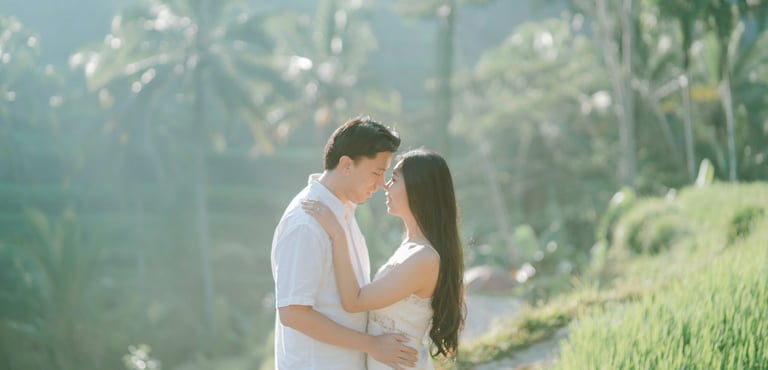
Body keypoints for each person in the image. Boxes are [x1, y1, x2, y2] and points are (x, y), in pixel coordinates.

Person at [270, 117, 418, 370]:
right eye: (377, 171)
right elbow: (293, 313)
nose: (383, 184)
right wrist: (372, 344)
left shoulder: (342, 212)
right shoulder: (306, 224)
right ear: (347, 165)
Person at [302, 148, 465, 370]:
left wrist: (338, 234)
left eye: (394, 179)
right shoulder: (411, 247)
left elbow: (354, 301)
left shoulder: (424, 258)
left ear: (418, 189)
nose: (385, 186)